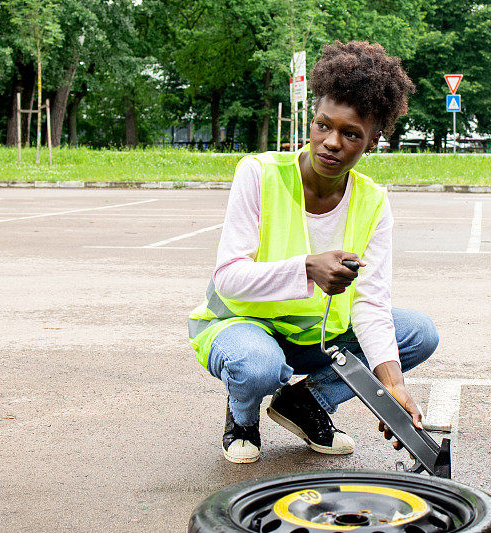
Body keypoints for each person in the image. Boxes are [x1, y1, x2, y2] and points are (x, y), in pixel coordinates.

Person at [187, 41, 438, 464]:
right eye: (324, 125)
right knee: (257, 365)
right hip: (240, 326)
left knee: (417, 332)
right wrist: (306, 267)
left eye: (351, 134)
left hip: (311, 339)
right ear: (312, 121)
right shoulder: (259, 174)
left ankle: (303, 402)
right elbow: (228, 275)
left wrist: (390, 387)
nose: (332, 142)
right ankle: (242, 417)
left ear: (372, 141)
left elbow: (372, 303)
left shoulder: (373, 202)